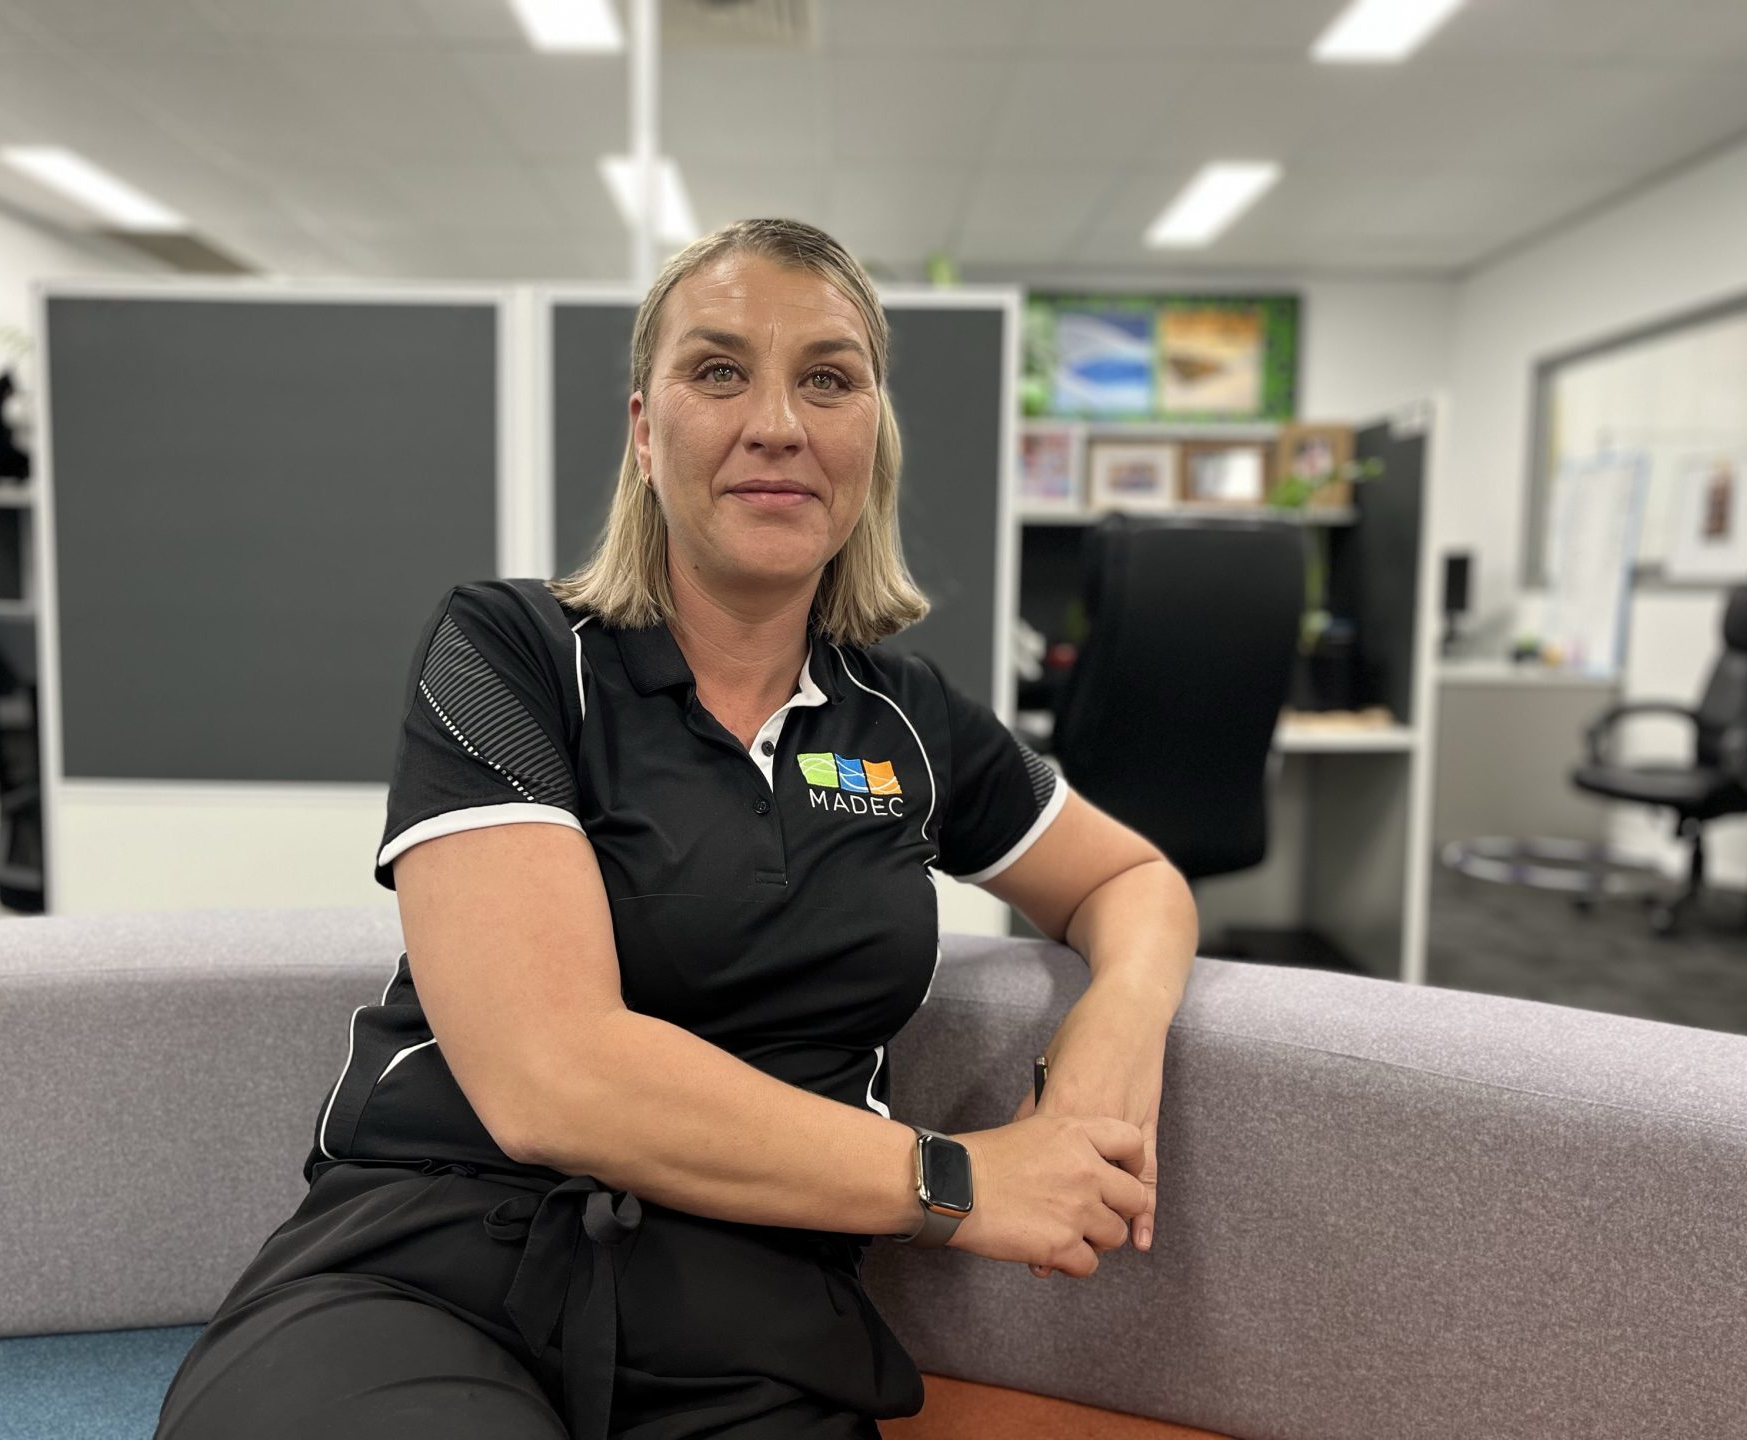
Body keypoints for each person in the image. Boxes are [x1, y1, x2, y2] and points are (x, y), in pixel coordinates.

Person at [153, 218, 1197, 1440]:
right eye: (718, 372)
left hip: (754, 1318)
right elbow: (555, 1077)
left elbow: (1132, 878)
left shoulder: (910, 722)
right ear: (646, 432)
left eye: (828, 378)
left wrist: (1114, 1029)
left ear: (871, 439)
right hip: (433, 1268)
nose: (778, 423)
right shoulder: (512, 653)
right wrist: (954, 1178)